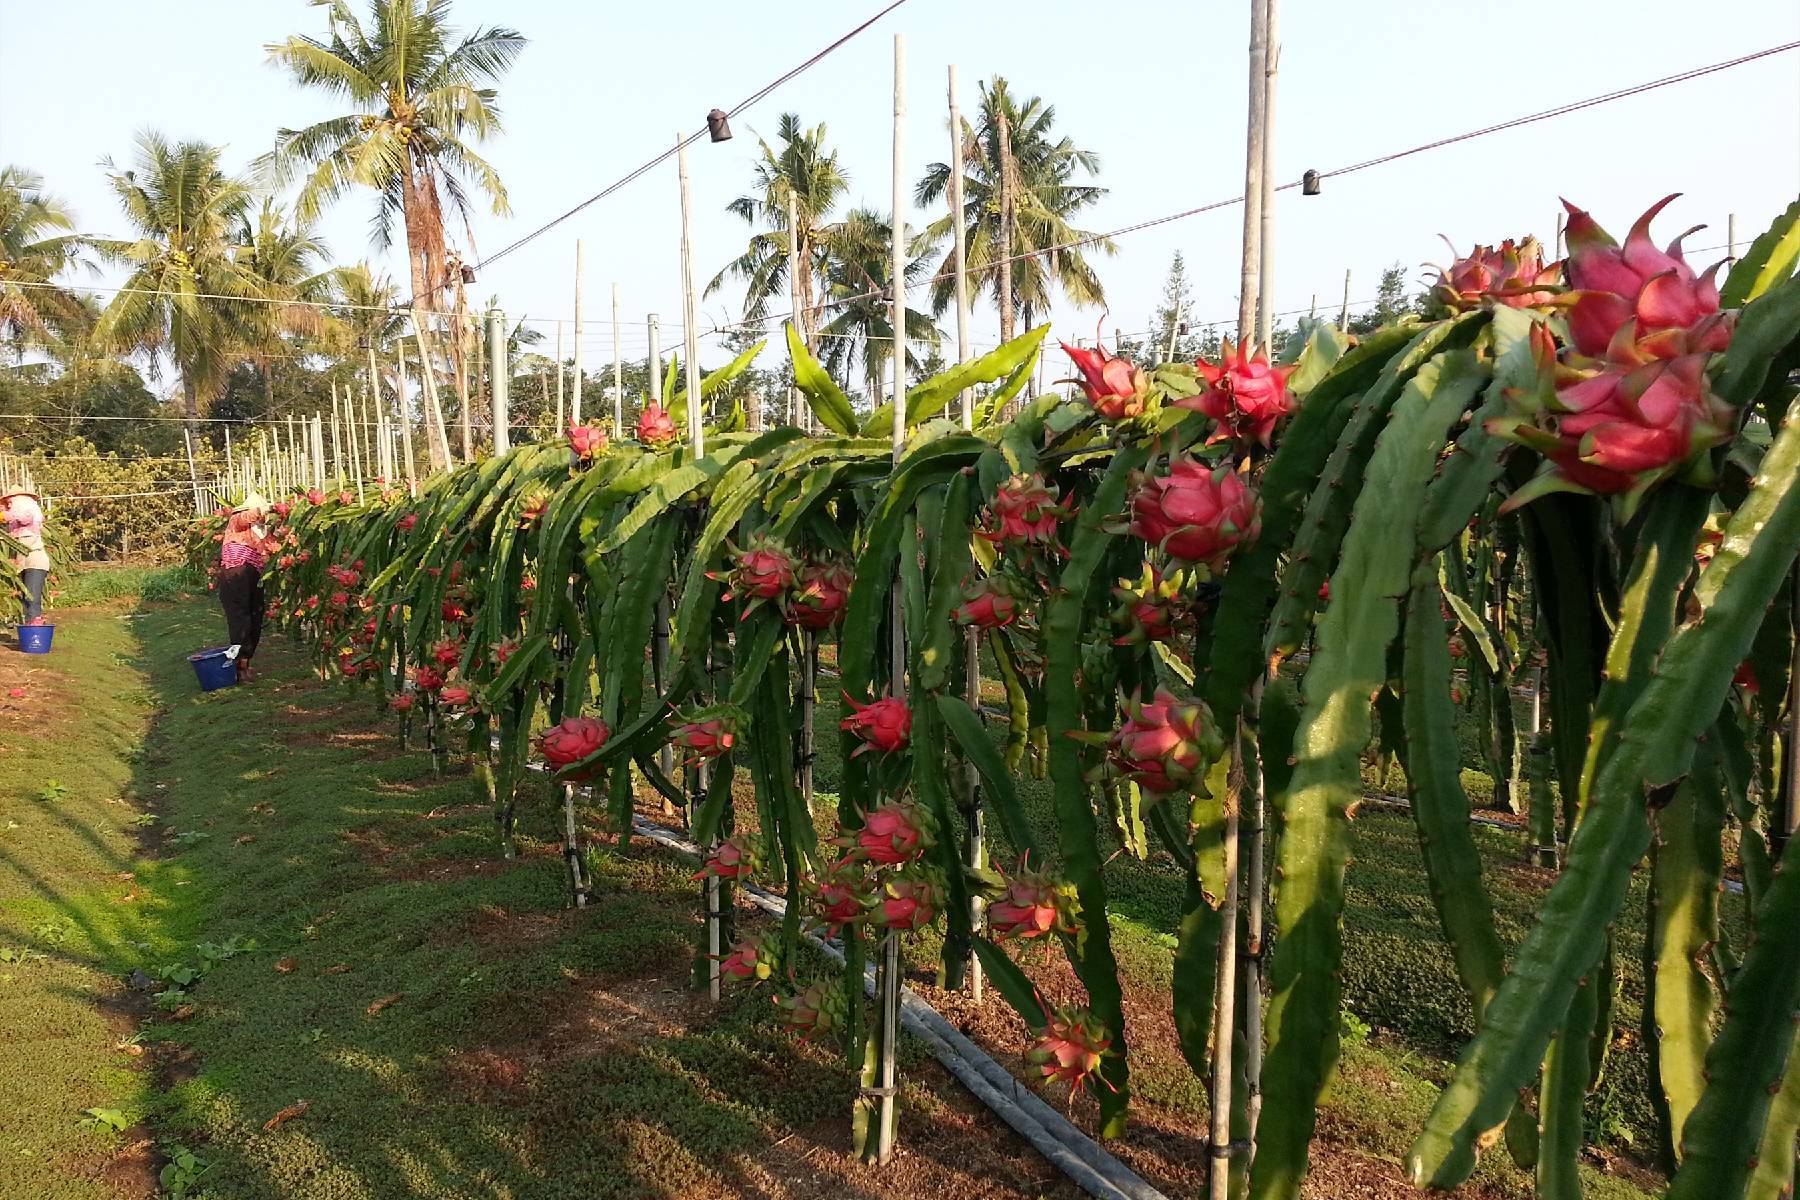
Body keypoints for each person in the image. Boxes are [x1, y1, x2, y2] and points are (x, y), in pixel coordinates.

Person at [217, 493, 277, 681]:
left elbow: (274, 548)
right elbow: (246, 517)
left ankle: (245, 662)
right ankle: (238, 665)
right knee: (240, 619)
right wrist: (265, 509)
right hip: (235, 575)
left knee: (255, 617)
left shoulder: (264, 532)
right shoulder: (237, 522)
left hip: (254, 577)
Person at [2, 488, 51, 626]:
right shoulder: (19, 528)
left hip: (35, 563)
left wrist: (6, 515)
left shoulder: (24, 507)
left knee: (32, 598)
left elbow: (24, 517)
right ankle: (27, 629)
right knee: (25, 598)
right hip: (26, 563)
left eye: (10, 501)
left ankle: (35, 632)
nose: (9, 504)